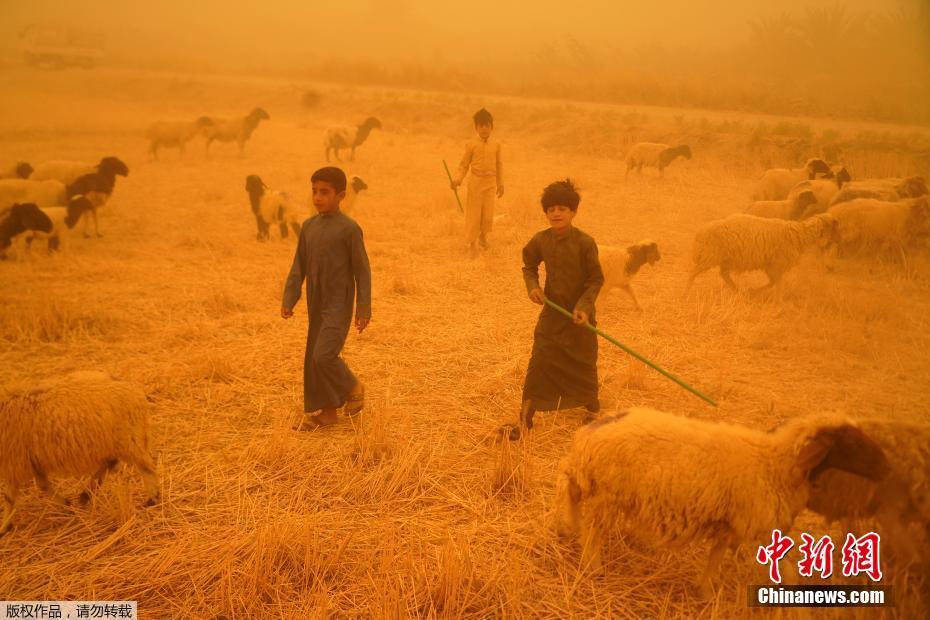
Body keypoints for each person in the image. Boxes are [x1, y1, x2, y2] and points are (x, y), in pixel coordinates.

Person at [281, 166, 371, 429]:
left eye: (325, 192)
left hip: (338, 303)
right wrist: (290, 297)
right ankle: (328, 413)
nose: (318, 197)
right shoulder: (308, 228)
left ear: (341, 195)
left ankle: (353, 386)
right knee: (313, 357)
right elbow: (298, 267)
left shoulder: (350, 229)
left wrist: (363, 308)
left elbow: (362, 272)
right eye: (314, 192)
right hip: (315, 301)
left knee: (323, 355)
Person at [517, 179, 604, 434]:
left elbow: (596, 279)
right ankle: (526, 415)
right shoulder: (540, 240)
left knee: (583, 360)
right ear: (546, 212)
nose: (556, 213)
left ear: (573, 212)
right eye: (551, 209)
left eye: (562, 209)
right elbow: (529, 266)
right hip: (553, 312)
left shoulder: (586, 242)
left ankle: (591, 406)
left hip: (580, 315)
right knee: (541, 357)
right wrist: (532, 286)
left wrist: (584, 307)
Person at [450, 107, 503, 254]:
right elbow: (464, 165)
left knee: (487, 215)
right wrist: (457, 180)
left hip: (490, 184)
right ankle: (472, 244)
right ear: (476, 127)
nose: (484, 129)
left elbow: (499, 165)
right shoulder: (471, 144)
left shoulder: (496, 145)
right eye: (481, 126)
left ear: (492, 127)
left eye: (487, 126)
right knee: (474, 216)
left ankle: (483, 237)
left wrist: (501, 183)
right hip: (475, 184)